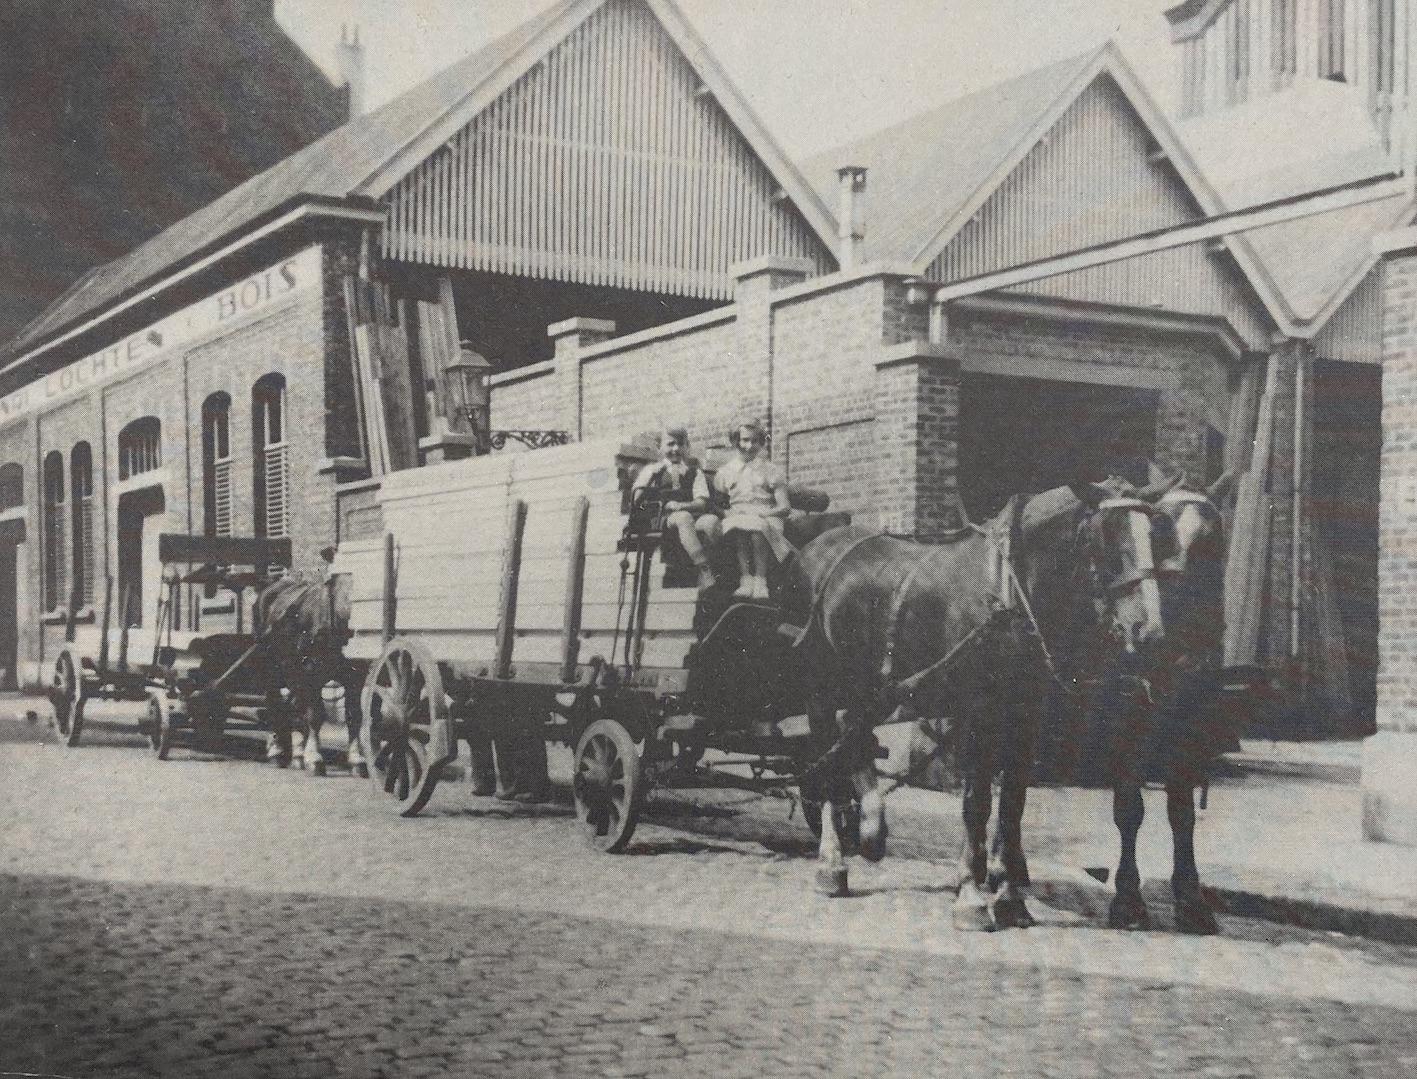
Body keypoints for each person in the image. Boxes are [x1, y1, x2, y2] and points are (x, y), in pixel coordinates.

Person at [631, 426, 720, 591]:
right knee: (683, 518)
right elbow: (636, 499)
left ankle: (715, 572)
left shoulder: (694, 473)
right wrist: (649, 479)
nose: (676, 449)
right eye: (670, 444)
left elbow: (701, 502)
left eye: (680, 444)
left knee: (712, 522)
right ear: (660, 448)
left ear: (686, 446)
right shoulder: (652, 471)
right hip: (660, 518)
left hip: (689, 515)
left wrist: (681, 505)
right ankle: (704, 568)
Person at [715, 419, 793, 600]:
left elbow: (784, 507)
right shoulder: (726, 471)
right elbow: (718, 503)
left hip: (767, 515)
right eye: (744, 440)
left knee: (757, 526)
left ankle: (760, 581)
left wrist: (763, 514)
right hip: (738, 516)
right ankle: (746, 579)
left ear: (761, 442)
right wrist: (727, 513)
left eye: (755, 441)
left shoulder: (771, 470)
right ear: (736, 441)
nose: (749, 446)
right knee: (739, 526)